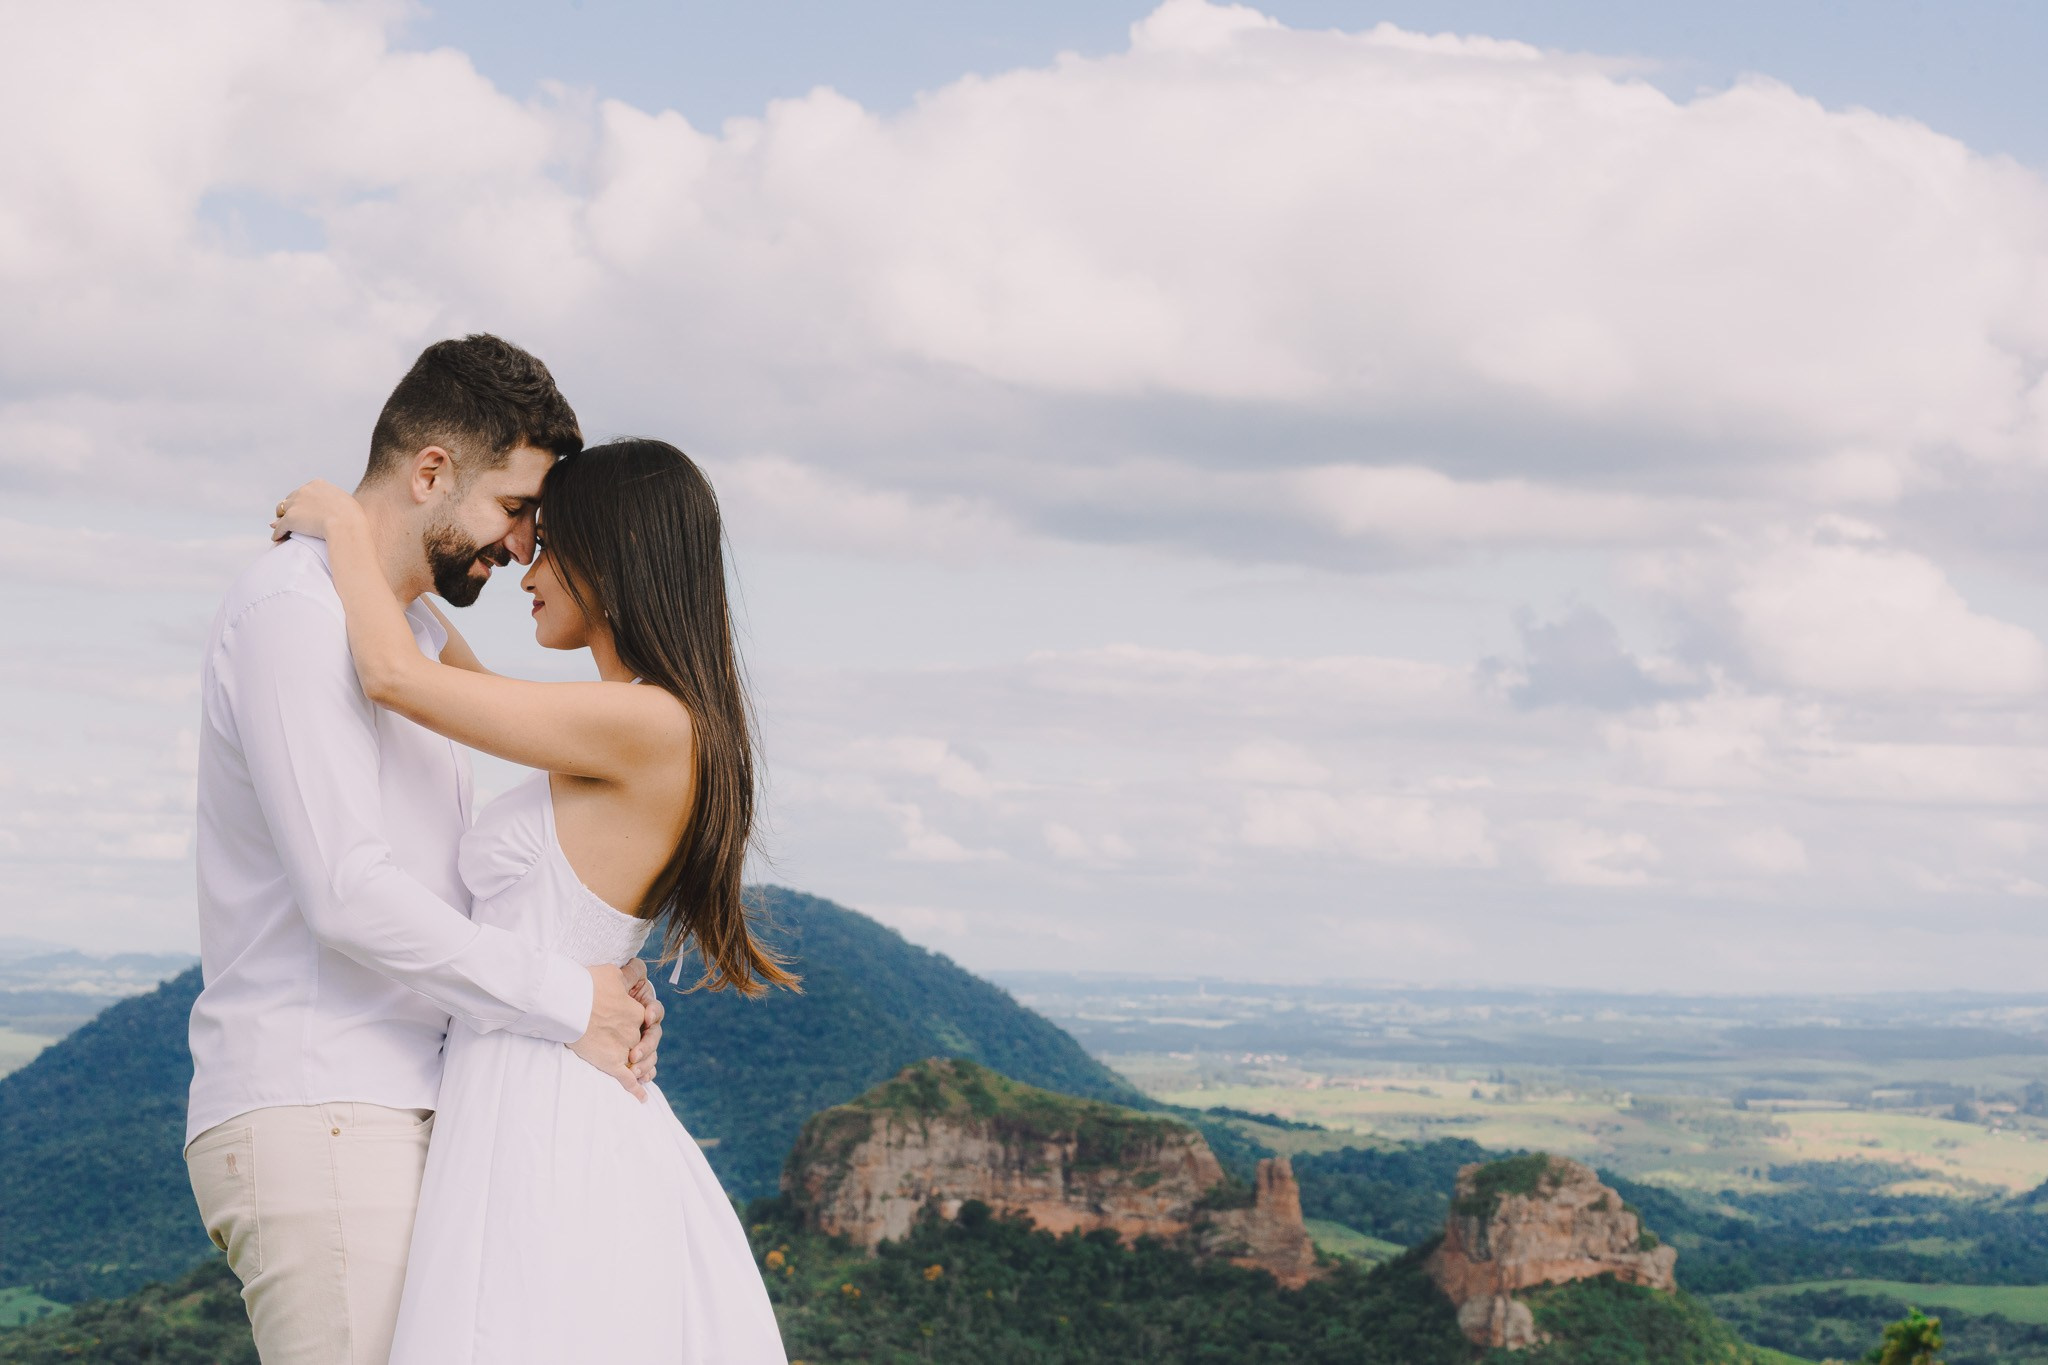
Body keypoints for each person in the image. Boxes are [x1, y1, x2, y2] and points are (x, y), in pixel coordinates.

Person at [185, 335, 664, 1365]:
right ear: (433, 471)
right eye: (515, 509)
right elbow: (348, 894)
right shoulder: (292, 613)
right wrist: (568, 1000)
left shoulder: (418, 641)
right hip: (324, 1107)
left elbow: (457, 864)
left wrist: (603, 976)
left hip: (409, 1106)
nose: (522, 547)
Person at [271, 437, 794, 1362]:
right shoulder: (639, 720)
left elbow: (397, 679)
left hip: (544, 1098)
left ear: (611, 556)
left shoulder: (646, 721)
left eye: (549, 545)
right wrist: (404, 567)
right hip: (530, 1074)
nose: (525, 571)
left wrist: (349, 529)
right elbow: (460, 683)